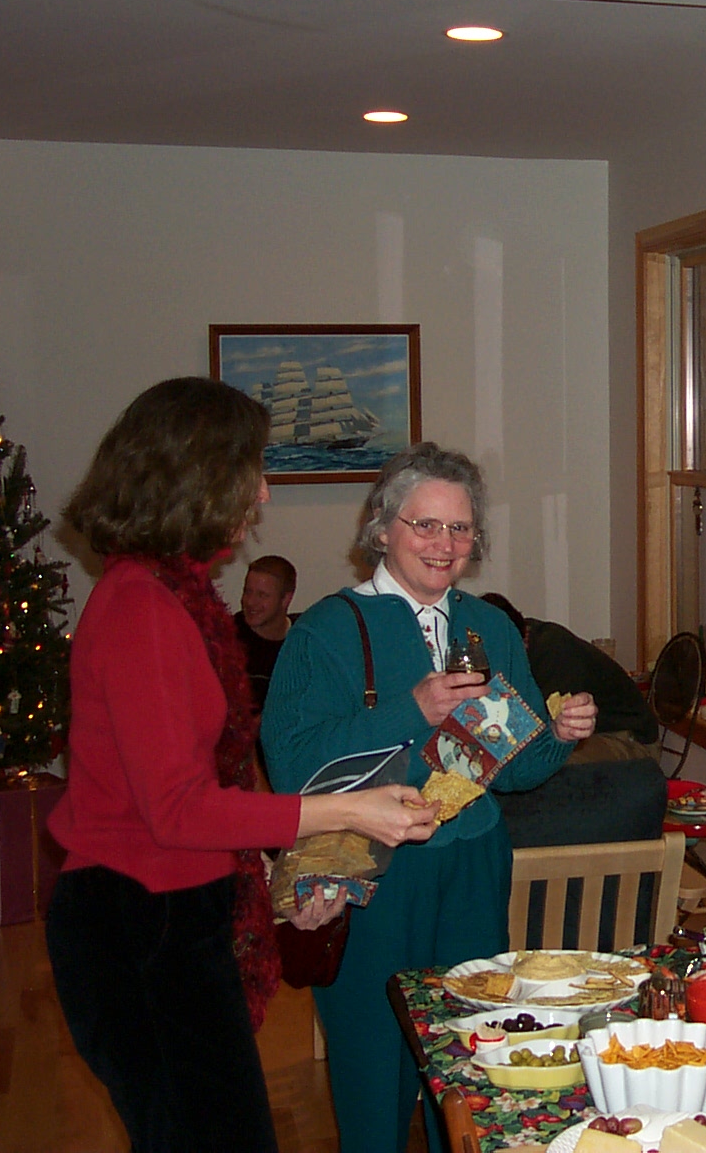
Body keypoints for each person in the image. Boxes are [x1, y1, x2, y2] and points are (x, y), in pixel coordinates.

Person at [46, 378, 439, 1153]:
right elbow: (179, 810)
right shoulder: (141, 610)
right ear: (195, 475)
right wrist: (350, 810)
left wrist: (284, 876)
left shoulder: (167, 598)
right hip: (138, 923)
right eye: (251, 469)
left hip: (168, 909)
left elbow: (198, 795)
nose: (262, 492)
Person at [262, 442, 596, 1153]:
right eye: (426, 525)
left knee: (472, 1056)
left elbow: (513, 770)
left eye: (460, 528)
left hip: (474, 864)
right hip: (374, 874)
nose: (444, 544)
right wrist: (410, 709)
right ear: (382, 528)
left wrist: (560, 735)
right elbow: (292, 767)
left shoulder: (489, 627)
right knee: (373, 1064)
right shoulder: (326, 630)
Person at [481, 592, 660, 761]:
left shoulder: (554, 651)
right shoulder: (518, 639)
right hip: (590, 735)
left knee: (545, 763)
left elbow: (539, 732)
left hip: (628, 738)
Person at [236, 554, 296, 713]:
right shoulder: (227, 637)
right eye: (248, 591)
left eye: (262, 595)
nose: (250, 602)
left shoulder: (302, 642)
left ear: (286, 599)